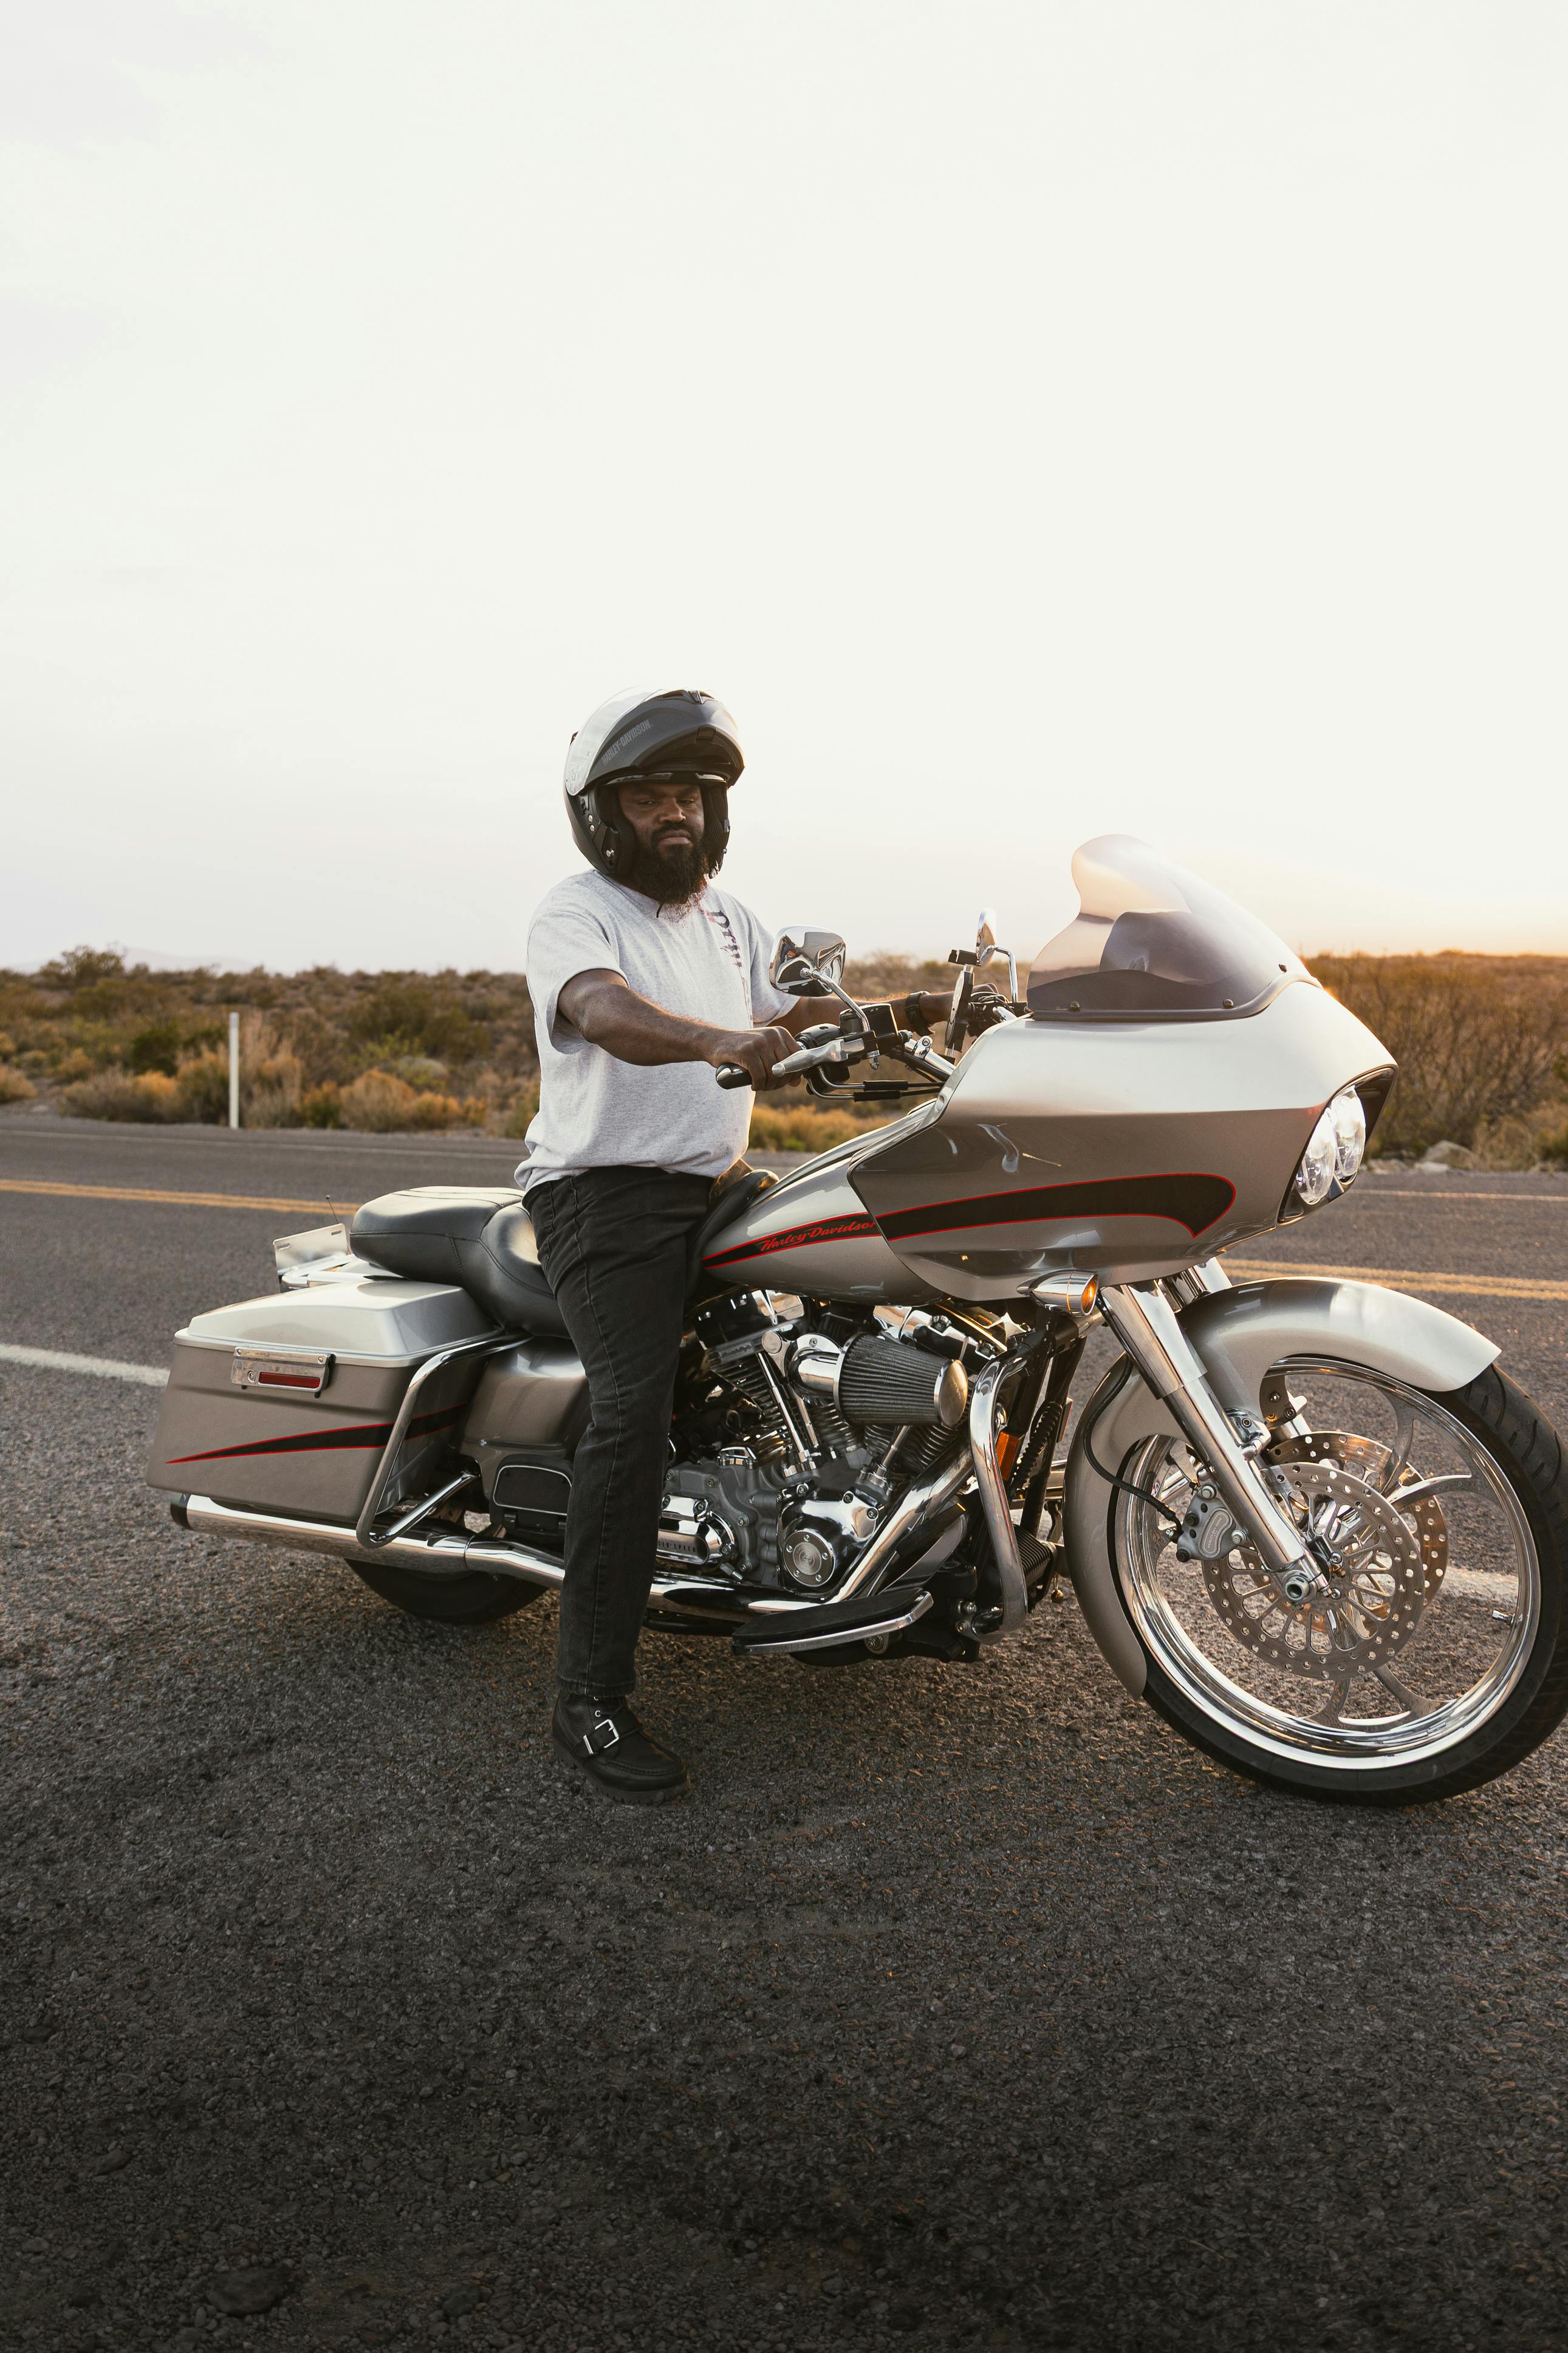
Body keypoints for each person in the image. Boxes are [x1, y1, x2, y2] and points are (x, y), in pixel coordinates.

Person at [518, 687, 827, 1805]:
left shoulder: (729, 918)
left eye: (689, 796)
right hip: (604, 1199)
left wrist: (930, 1014)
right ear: (603, 814)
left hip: (719, 1187)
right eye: (649, 799)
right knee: (630, 1412)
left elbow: (790, 1023)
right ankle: (587, 1700)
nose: (676, 817)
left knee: (842, 1315)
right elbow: (603, 1012)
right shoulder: (576, 912)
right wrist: (722, 1041)